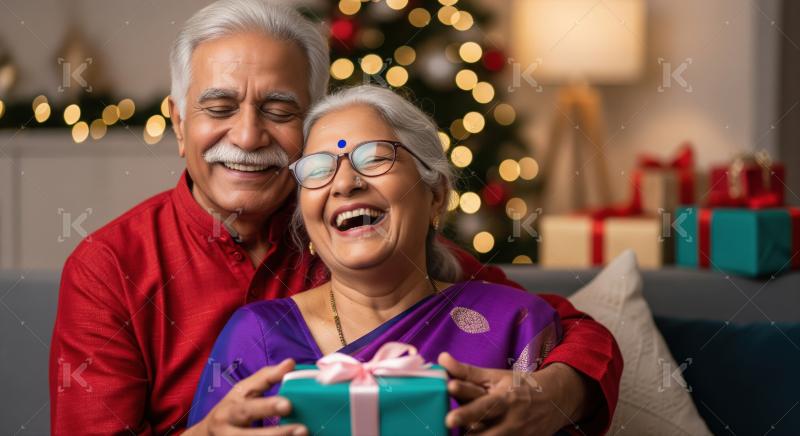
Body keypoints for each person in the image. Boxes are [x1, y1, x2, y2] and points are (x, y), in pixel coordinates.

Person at [48, 1, 622, 434]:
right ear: (177, 124)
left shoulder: (373, 240)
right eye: (219, 107)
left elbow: (570, 330)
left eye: (279, 110)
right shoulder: (110, 269)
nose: (247, 136)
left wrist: (555, 393)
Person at [188, 85, 568, 434]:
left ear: (435, 194)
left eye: (373, 158)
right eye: (319, 169)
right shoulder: (256, 336)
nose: (344, 183)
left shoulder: (515, 324)